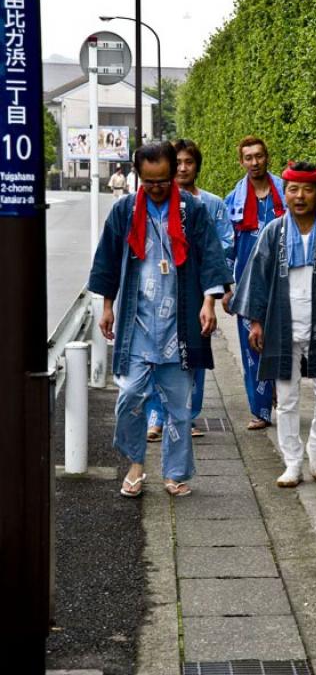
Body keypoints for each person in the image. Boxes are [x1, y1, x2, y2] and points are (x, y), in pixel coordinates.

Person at [88, 142, 233, 498]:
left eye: (163, 180)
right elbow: (107, 260)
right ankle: (136, 464)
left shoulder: (192, 210)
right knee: (130, 397)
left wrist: (209, 303)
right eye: (149, 180)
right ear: (138, 175)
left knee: (179, 405)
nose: (156, 187)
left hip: (179, 320)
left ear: (172, 175)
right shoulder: (124, 210)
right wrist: (107, 306)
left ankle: (175, 472)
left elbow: (211, 257)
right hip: (137, 319)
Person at [231, 161, 316, 487]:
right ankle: (292, 462)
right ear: (286, 192)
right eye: (293, 189)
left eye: (308, 189)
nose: (300, 196)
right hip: (282, 323)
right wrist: (256, 322)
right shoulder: (273, 232)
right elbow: (258, 280)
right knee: (287, 397)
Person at [145, 138, 233, 441]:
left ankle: (188, 413)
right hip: (160, 288)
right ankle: (156, 415)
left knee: (193, 353)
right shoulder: (151, 202)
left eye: (189, 162)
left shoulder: (210, 204)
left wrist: (215, 285)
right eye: (178, 162)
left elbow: (222, 244)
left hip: (197, 288)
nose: (183, 168)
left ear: (197, 166)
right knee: (156, 351)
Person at [223, 136, 286, 430]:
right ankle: (260, 410)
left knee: (283, 343)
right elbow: (226, 247)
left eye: (259, 156)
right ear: (241, 162)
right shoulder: (233, 200)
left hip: (284, 281)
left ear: (267, 157)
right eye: (248, 157)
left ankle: (282, 397)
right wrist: (225, 287)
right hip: (248, 285)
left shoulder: (285, 193)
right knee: (253, 346)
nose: (254, 162)